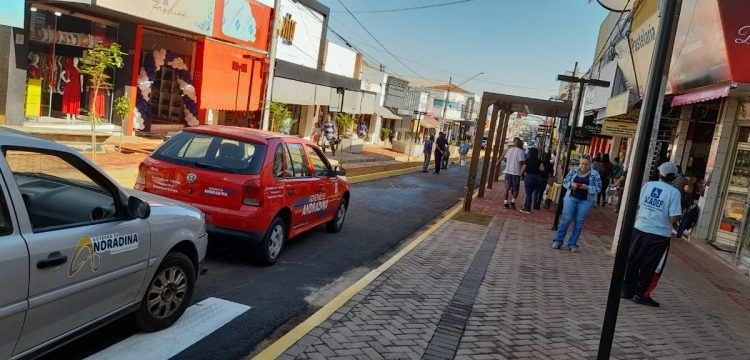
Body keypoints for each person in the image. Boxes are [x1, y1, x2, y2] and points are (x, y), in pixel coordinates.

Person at [621, 162, 682, 307]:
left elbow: (639, 204)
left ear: (659, 173)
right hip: (658, 235)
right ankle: (642, 294)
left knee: (633, 261)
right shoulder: (674, 192)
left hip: (639, 228)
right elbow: (674, 217)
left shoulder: (648, 185)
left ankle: (627, 290)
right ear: (673, 177)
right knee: (652, 266)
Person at [552, 154, 602, 252]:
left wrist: (588, 187)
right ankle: (558, 241)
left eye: (586, 164)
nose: (584, 166)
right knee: (566, 219)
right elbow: (565, 181)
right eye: (582, 164)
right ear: (579, 163)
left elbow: (599, 188)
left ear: (590, 164)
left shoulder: (595, 174)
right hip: (571, 197)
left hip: (586, 201)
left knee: (579, 221)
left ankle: (572, 243)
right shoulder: (574, 170)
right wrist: (571, 184)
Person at [519, 147, 546, 213]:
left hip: (529, 177)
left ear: (530, 153)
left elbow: (523, 169)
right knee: (531, 193)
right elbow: (542, 169)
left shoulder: (527, 160)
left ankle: (527, 208)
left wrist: (520, 175)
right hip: (537, 178)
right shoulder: (539, 161)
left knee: (528, 193)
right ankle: (525, 206)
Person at [502, 138, 526, 209]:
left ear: (514, 143)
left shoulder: (509, 150)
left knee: (506, 188)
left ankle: (505, 203)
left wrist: (510, 162)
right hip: (516, 173)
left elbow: (505, 159)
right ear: (520, 144)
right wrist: (522, 173)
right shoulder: (521, 151)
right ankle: (512, 202)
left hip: (508, 172)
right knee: (516, 189)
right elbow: (521, 163)